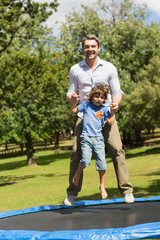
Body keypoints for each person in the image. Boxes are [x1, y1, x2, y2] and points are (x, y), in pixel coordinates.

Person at [64, 35, 134, 206]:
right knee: (76, 154)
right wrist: (72, 98)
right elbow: (70, 92)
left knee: (117, 150)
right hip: (85, 117)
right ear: (83, 48)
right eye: (87, 46)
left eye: (93, 46)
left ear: (98, 48)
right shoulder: (76, 69)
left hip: (106, 116)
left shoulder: (109, 68)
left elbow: (118, 91)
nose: (90, 49)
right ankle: (72, 193)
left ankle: (127, 191)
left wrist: (115, 105)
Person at [71, 85, 116, 199]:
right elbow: (73, 111)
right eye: (97, 96)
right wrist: (74, 102)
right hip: (86, 137)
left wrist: (113, 112)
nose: (99, 99)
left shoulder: (104, 109)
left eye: (102, 97)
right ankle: (77, 173)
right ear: (92, 97)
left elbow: (110, 122)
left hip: (98, 139)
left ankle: (102, 186)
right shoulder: (86, 105)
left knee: (102, 163)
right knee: (85, 160)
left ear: (104, 99)